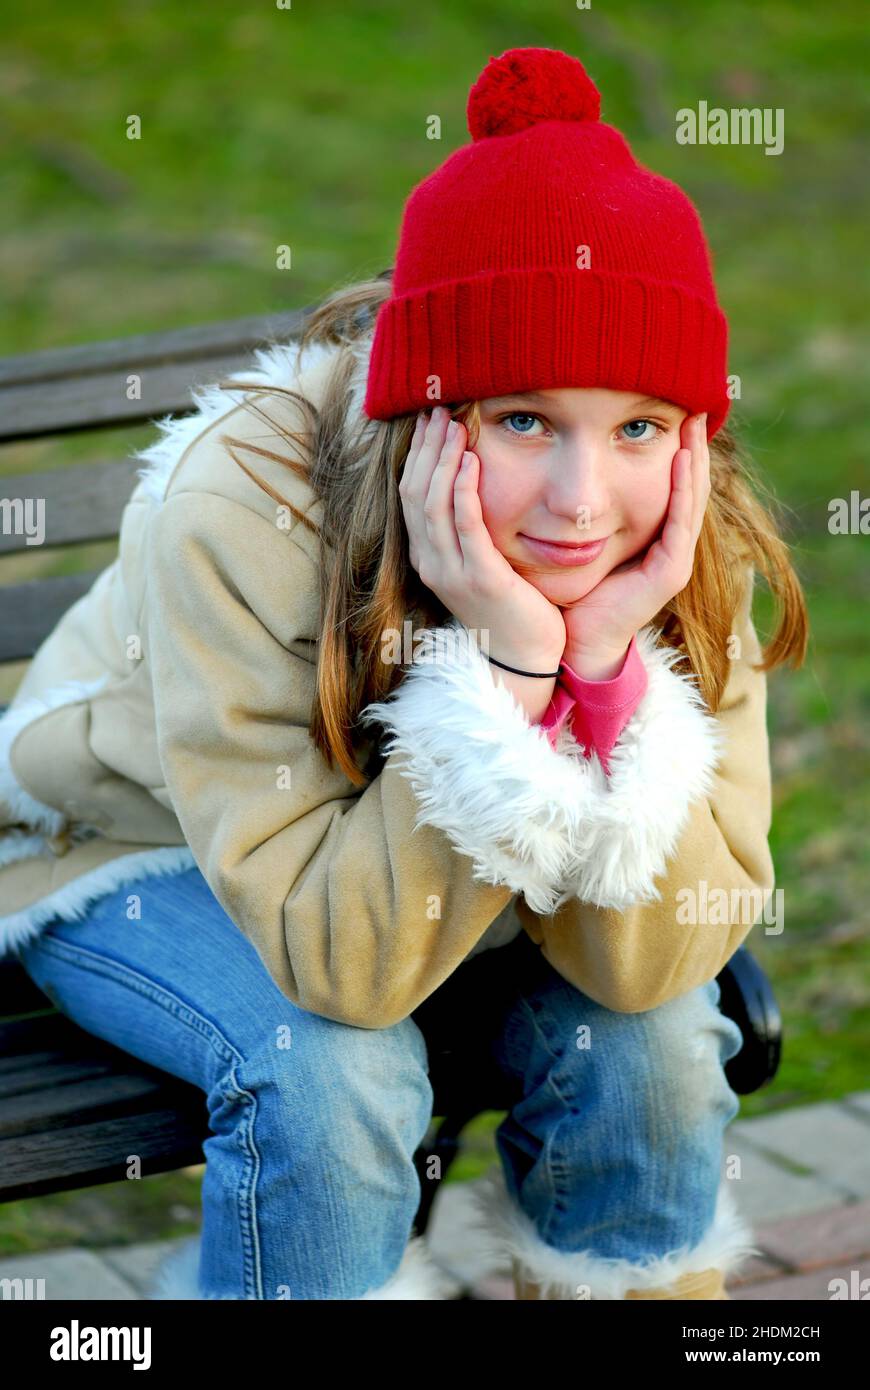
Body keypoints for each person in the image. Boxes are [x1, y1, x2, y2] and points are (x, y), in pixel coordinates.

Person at [0, 46, 807, 1300]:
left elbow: (656, 964)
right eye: (522, 418)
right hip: (130, 852)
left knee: (648, 1051)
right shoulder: (241, 501)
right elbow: (347, 974)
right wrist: (501, 672)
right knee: (328, 1078)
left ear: (692, 433)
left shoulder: (683, 541)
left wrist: (597, 679)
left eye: (637, 423)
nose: (581, 502)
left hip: (413, 891)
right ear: (428, 418)